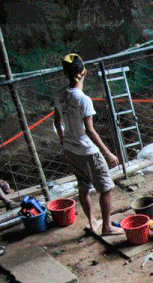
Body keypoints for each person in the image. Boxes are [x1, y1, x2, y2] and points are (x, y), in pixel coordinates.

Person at [53, 53, 123, 236]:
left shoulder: (59, 95)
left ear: (66, 74)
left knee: (83, 186)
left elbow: (57, 121)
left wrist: (63, 140)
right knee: (106, 188)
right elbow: (90, 130)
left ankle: (92, 222)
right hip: (87, 151)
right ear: (85, 72)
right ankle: (107, 227)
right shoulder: (83, 99)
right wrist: (108, 153)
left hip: (70, 150)